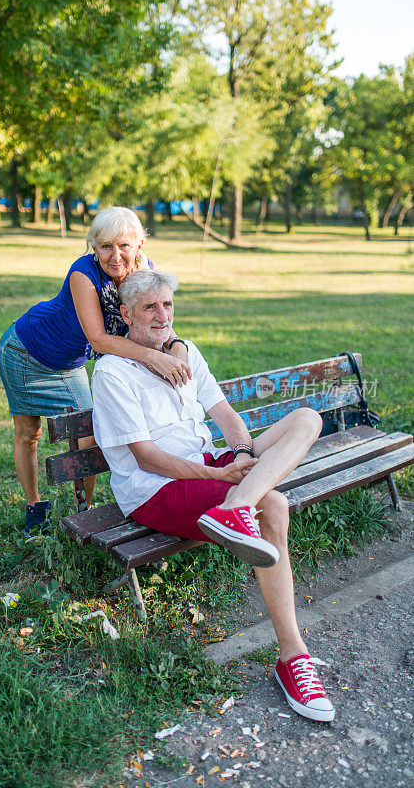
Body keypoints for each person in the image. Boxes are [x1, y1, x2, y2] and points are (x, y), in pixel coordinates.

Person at [91, 270, 335, 723]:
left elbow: (224, 413)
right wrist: (217, 473)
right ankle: (292, 657)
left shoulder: (187, 353)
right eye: (149, 307)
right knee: (275, 505)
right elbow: (145, 458)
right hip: (156, 490)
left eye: (167, 305)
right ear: (125, 314)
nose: (162, 315)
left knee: (306, 419)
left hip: (210, 466)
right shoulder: (112, 372)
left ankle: (237, 506)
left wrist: (241, 454)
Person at [0, 207, 190, 535]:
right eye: (105, 246)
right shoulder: (83, 274)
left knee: (90, 432)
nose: (115, 256)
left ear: (140, 245)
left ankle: (81, 509)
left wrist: (176, 345)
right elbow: (99, 339)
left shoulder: (146, 274)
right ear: (94, 247)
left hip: (69, 363)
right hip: (26, 351)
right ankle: (34, 508)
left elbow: (156, 319)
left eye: (124, 246)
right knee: (29, 433)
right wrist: (153, 358)